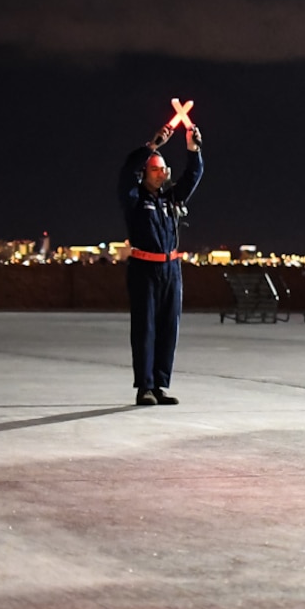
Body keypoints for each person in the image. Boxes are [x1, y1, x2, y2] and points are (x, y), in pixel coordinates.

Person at [120, 117, 204, 404]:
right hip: (144, 268)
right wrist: (152, 145)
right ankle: (144, 386)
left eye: (164, 169)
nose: (161, 173)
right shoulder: (133, 199)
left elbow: (193, 176)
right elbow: (126, 173)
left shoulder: (170, 200)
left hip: (171, 268)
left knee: (169, 327)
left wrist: (194, 150)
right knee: (146, 328)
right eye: (155, 169)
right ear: (145, 173)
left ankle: (159, 385)